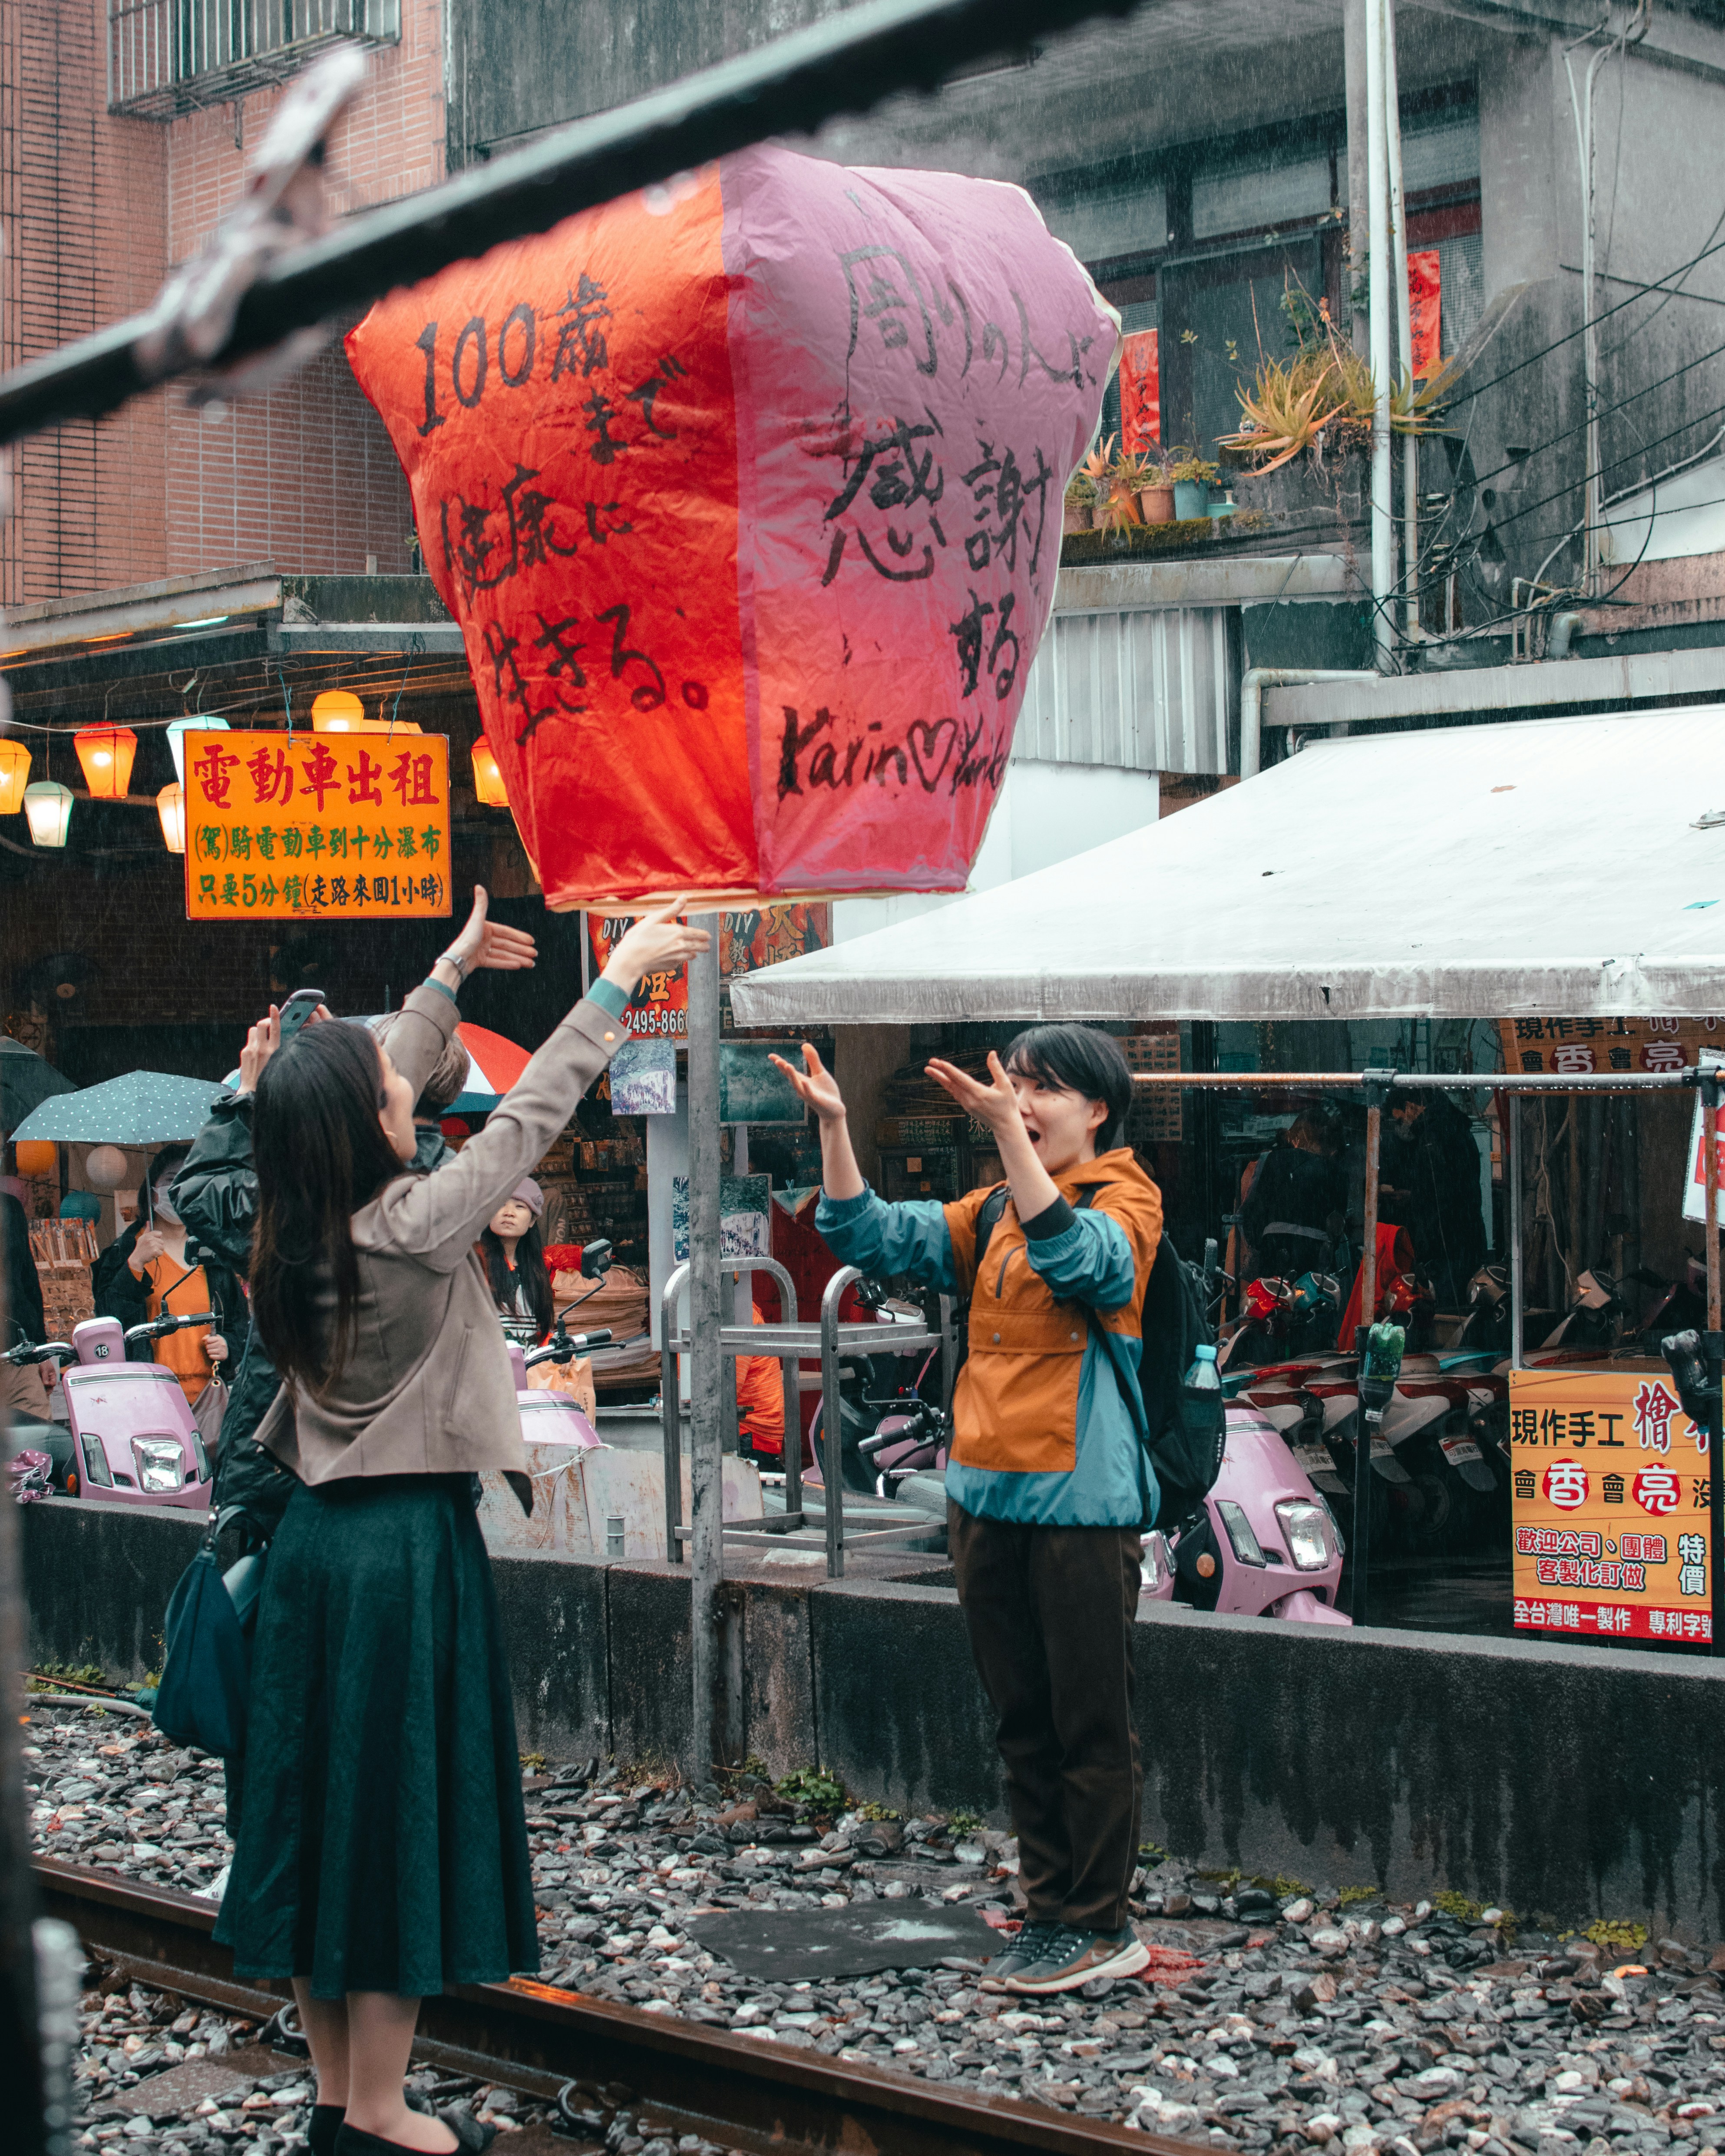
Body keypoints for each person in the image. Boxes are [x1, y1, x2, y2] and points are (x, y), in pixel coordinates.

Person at [213, 890, 706, 2156]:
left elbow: (391, 1065)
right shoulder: (414, 1221)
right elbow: (530, 1112)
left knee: (327, 1823)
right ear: (361, 1124)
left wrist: (444, 971)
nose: (406, 1078)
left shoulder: (294, 1221)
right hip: (398, 1556)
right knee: (387, 1825)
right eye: (386, 1080)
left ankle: (338, 2101)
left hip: (318, 1551)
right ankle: (381, 2114)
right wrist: (616, 983)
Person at [772, 1024, 1163, 1998]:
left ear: (1099, 1109)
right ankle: (1047, 1909)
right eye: (1014, 1087)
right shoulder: (989, 1208)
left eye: (1043, 1091)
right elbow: (871, 1236)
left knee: (1091, 1721)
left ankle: (1099, 1919)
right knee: (1020, 1717)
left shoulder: (1127, 1195)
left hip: (1081, 1501)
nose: (1020, 1104)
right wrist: (835, 1129)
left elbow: (1086, 1267)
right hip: (984, 1494)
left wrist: (1015, 1146)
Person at [92, 1146, 241, 1403]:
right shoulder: (124, 1251)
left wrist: (229, 1345)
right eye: (172, 1179)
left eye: (191, 1179)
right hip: (147, 1396)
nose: (181, 1187)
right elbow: (107, 1325)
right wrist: (135, 1263)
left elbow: (240, 1324)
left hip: (209, 1397)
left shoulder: (213, 1251)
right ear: (152, 1193)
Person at [1380, 1089, 1487, 1308]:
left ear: (1411, 1107)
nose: (1400, 1125)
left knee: (1445, 1307)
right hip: (1463, 1237)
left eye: (1399, 1118)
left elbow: (1443, 1192)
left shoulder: (1436, 1135)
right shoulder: (1454, 1128)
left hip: (1447, 1242)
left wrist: (1413, 1198)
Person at [1238, 1104, 1346, 1281]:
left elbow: (1252, 1211)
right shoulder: (1337, 1172)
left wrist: (1257, 1246)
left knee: (1273, 1303)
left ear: (1298, 1136)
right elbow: (1336, 1225)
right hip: (1315, 1259)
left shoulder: (1271, 1159)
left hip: (1273, 1253)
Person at [1, 1179, 52, 1428]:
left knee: (40, 1446)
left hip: (17, 1358)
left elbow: (28, 1284)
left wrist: (41, 1354)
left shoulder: (8, 1209)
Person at [479, 1180, 554, 1337]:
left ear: (533, 1220)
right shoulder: (476, 1264)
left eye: (520, 1206)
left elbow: (543, 1331)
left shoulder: (539, 1270)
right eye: (501, 1204)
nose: (509, 1212)